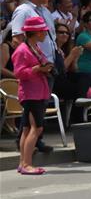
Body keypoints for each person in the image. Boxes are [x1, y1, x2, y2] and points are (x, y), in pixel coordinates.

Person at [12, 16, 54, 175]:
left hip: (38, 92)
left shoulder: (34, 47)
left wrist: (44, 68)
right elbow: (19, 73)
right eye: (43, 30)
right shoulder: (22, 50)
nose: (45, 33)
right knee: (37, 128)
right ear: (35, 32)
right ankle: (27, 164)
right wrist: (37, 69)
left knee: (27, 128)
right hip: (31, 94)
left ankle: (23, 162)